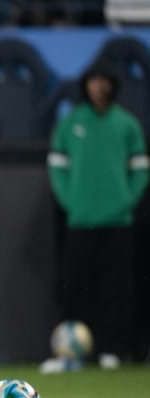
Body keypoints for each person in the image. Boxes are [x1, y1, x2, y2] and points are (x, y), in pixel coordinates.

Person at [46, 61, 148, 369]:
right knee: (74, 287)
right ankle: (69, 353)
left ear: (113, 86)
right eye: (94, 80)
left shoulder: (127, 124)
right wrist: (71, 201)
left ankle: (112, 351)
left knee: (116, 290)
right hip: (80, 219)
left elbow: (141, 169)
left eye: (104, 81)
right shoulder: (71, 122)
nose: (99, 86)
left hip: (118, 221)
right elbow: (57, 166)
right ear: (86, 85)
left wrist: (126, 200)